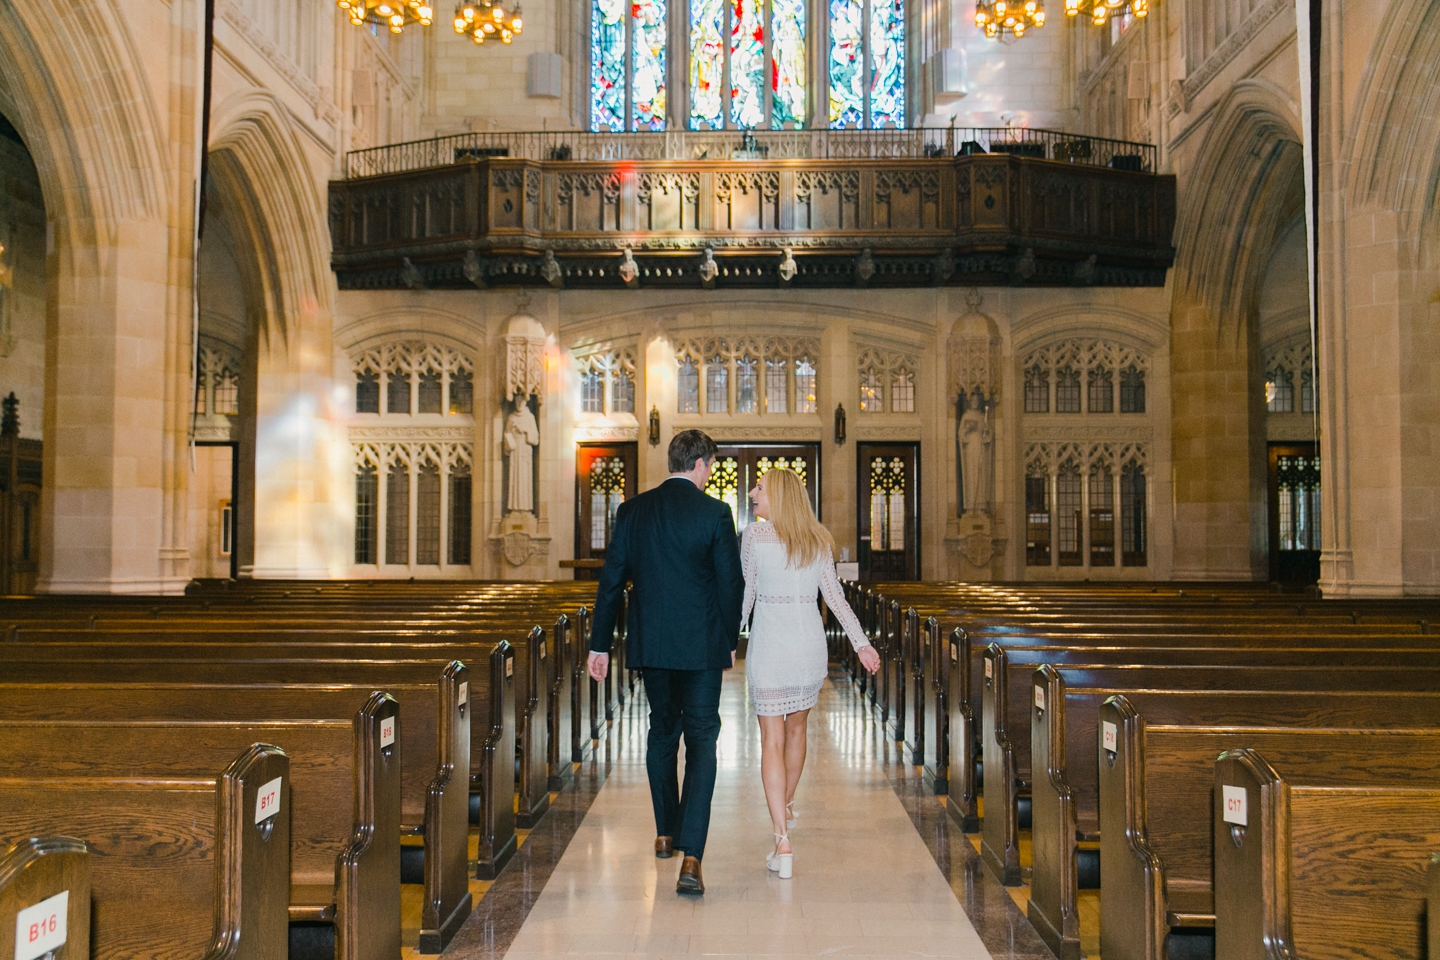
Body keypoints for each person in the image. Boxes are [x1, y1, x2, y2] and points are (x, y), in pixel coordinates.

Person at [587, 429, 744, 896]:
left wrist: (599, 645)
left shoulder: (632, 511)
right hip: (700, 651)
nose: (710, 473)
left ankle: (664, 832)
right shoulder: (716, 513)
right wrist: (728, 640)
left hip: (652, 647)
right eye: (711, 465)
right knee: (701, 741)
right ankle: (692, 855)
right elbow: (729, 586)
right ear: (700, 464)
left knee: (661, 731)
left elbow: (611, 582)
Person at [741, 467, 879, 879]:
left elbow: (746, 595)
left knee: (771, 739)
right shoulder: (817, 539)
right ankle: (785, 807)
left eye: (760, 487)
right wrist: (861, 643)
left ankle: (782, 840)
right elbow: (836, 600)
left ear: (778, 495)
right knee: (797, 733)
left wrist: (726, 641)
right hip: (806, 649)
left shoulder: (754, 537)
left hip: (768, 648)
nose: (752, 492)